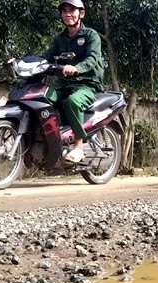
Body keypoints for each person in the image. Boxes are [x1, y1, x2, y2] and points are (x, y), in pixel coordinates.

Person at [41, 0, 105, 163]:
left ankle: (78, 147)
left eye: (72, 10)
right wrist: (23, 61)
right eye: (64, 11)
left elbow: (92, 58)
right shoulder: (59, 39)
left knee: (73, 102)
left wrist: (76, 68)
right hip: (64, 84)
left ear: (81, 13)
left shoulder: (91, 35)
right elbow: (45, 58)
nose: (68, 14)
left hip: (87, 84)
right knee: (42, 98)